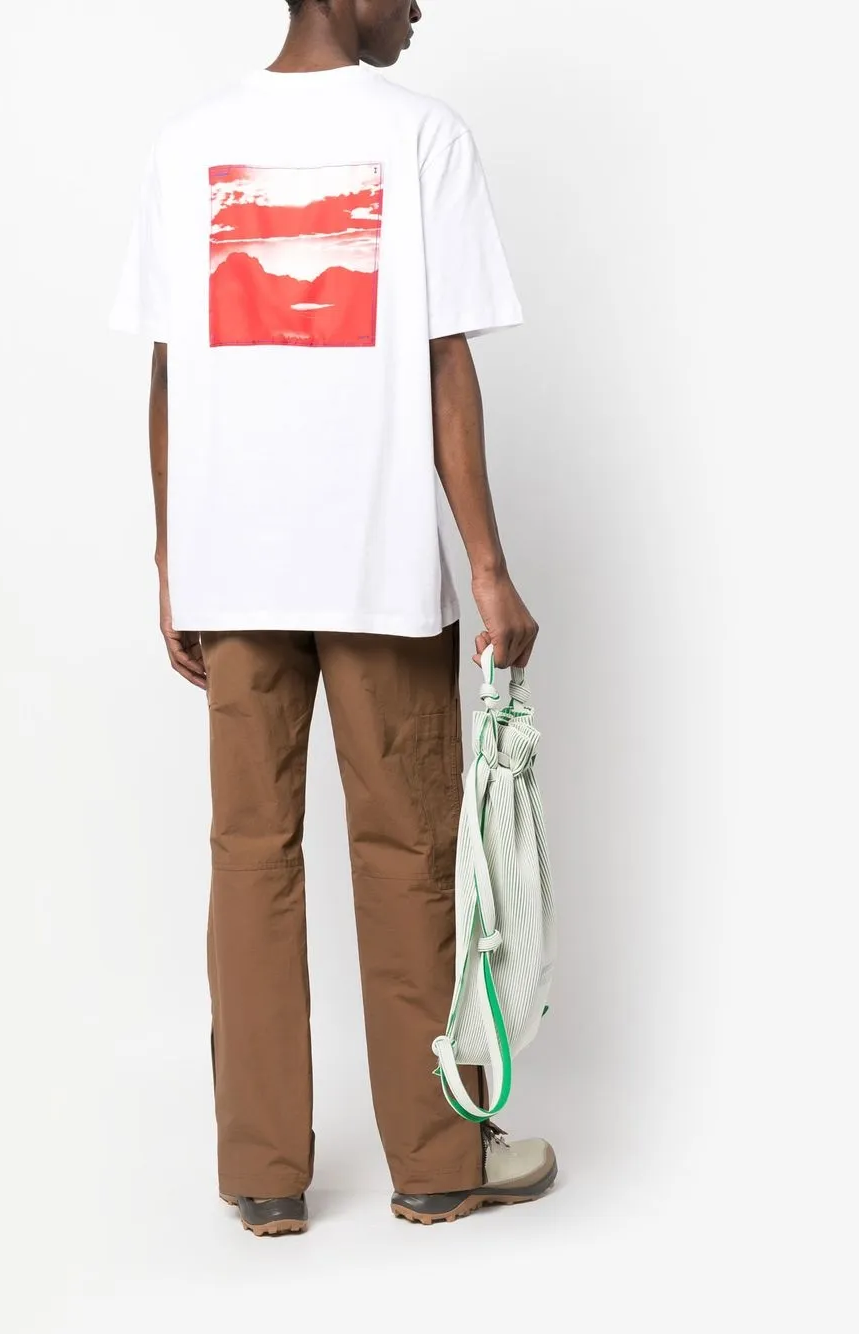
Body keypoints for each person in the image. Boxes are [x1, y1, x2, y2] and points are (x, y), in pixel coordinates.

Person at [109, 0, 556, 1236]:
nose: (417, 8)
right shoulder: (421, 134)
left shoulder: (187, 142)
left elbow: (169, 364)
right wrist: (488, 566)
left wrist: (174, 560)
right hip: (372, 562)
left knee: (248, 856)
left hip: (234, 567)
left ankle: (262, 1172)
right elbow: (445, 360)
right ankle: (437, 1161)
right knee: (406, 851)